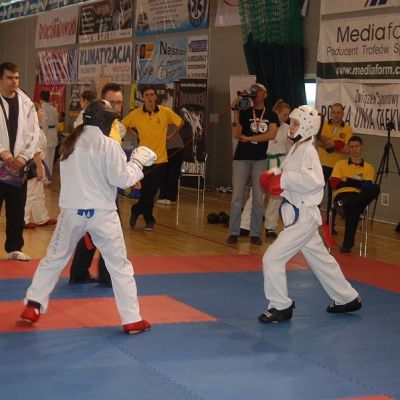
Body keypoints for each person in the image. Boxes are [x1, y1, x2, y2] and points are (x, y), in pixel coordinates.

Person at [20, 100, 157, 335]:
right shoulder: (109, 145)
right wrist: (137, 162)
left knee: (54, 259)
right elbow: (122, 180)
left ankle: (33, 304)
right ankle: (132, 319)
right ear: (104, 121)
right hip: (102, 214)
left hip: (71, 212)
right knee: (119, 266)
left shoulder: (68, 143)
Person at [258, 105, 361, 324]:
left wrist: (283, 180)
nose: (291, 127)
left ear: (306, 126)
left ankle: (280, 306)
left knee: (272, 259)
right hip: (298, 214)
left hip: (303, 217)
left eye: (296, 123)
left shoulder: (308, 151)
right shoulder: (298, 147)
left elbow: (315, 182)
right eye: (292, 122)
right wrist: (272, 174)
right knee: (321, 259)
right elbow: (288, 172)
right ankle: (348, 298)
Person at [69, 83, 126, 286]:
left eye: (119, 102)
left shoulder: (116, 126)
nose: (116, 106)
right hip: (92, 187)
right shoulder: (87, 123)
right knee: (110, 233)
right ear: (101, 101)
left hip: (108, 186)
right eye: (112, 102)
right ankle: (108, 276)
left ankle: (80, 272)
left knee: (92, 231)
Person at [122, 85, 183, 231]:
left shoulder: (165, 112)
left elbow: (180, 122)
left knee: (153, 191)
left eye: (152, 94)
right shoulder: (136, 114)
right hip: (143, 160)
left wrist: (170, 136)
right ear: (143, 98)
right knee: (146, 191)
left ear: (156, 97)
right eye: (147, 95)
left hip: (160, 159)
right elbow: (123, 125)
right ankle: (149, 220)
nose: (150, 97)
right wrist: (135, 134)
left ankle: (136, 210)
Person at [227, 83, 279, 246]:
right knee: (237, 196)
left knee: (258, 197)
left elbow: (271, 134)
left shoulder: (271, 114)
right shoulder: (245, 111)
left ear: (265, 94)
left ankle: (255, 233)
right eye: (253, 90)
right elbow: (236, 134)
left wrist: (250, 138)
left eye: (259, 90)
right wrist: (236, 110)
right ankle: (233, 232)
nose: (255, 92)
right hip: (241, 157)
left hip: (260, 158)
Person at [0, 62, 40, 261]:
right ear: (1, 79)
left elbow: (34, 133)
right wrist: (4, 154)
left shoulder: (26, 103)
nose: (14, 81)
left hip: (18, 168)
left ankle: (14, 248)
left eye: (16, 77)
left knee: (16, 210)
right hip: (2, 162)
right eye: (9, 77)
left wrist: (23, 157)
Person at [239, 100, 291, 239]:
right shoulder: (264, 125)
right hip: (263, 161)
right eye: (285, 115)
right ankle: (245, 225)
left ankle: (270, 227)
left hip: (278, 164)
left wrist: (287, 167)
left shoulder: (287, 129)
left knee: (276, 197)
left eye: (288, 115)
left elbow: (289, 150)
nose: (286, 118)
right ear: (276, 113)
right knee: (256, 194)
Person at [330, 135, 380, 253]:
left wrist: (346, 180)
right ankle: (347, 245)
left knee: (375, 188)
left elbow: (368, 186)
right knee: (355, 207)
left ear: (361, 147)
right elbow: (335, 184)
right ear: (348, 148)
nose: (354, 149)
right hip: (342, 195)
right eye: (351, 147)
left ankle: (347, 244)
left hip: (358, 197)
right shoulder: (340, 164)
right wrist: (359, 183)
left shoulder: (368, 167)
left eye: (357, 146)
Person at [316, 103, 352, 229]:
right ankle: (313, 221)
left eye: (338, 112)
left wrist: (330, 144)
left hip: (337, 168)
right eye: (334, 112)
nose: (336, 115)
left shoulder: (347, 129)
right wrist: (334, 144)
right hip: (322, 165)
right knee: (317, 194)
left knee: (334, 197)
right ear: (331, 113)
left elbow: (347, 149)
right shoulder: (324, 125)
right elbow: (317, 141)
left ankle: (331, 224)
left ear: (342, 114)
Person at [24, 104, 57, 229]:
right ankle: (23, 220)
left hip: (38, 162)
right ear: (34, 112)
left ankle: (41, 218)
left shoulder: (37, 128)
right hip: (33, 163)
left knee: (39, 193)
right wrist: (39, 168)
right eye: (41, 111)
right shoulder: (31, 129)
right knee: (30, 193)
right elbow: (35, 151)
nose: (43, 113)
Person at [157, 131, 184, 205]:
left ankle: (171, 198)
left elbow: (180, 125)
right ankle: (163, 196)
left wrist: (170, 136)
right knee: (162, 172)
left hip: (175, 147)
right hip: (162, 148)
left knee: (173, 173)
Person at [39, 90, 58, 185]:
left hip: (46, 133)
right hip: (53, 133)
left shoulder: (42, 108)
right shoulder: (54, 109)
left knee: (45, 158)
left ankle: (46, 179)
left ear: (41, 98)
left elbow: (44, 123)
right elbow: (57, 123)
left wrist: (44, 137)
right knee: (51, 158)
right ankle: (49, 178)